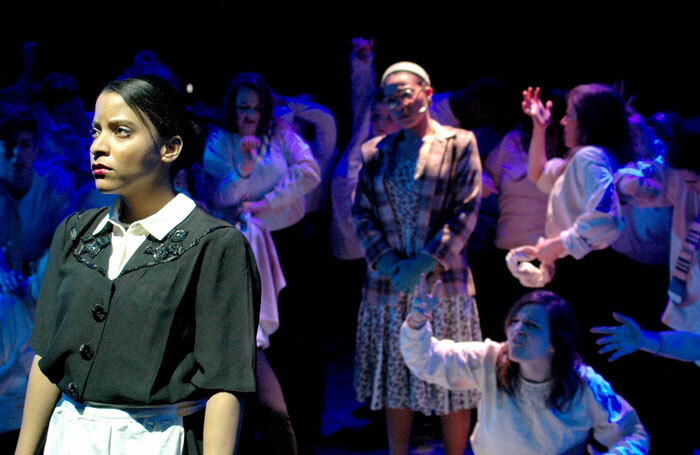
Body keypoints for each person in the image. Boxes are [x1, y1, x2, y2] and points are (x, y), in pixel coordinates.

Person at [14, 76, 259, 455]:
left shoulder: (215, 246)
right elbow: (47, 358)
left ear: (170, 148)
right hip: (68, 437)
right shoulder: (76, 234)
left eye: (121, 131)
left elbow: (226, 384)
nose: (98, 146)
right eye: (96, 131)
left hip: (155, 440)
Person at [352, 62, 482, 455]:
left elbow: (467, 208)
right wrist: (393, 265)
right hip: (390, 285)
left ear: (427, 92)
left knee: (451, 377)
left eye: (405, 93)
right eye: (390, 99)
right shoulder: (376, 152)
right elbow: (362, 213)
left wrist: (423, 264)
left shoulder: (460, 143)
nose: (399, 104)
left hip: (442, 282)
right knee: (398, 376)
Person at [202, 72, 320, 454]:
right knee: (256, 347)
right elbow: (221, 195)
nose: (250, 115)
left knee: (299, 344)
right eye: (243, 108)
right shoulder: (220, 142)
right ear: (232, 108)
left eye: (256, 108)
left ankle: (305, 437)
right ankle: (259, 436)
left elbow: (309, 172)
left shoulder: (281, 133)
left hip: (291, 244)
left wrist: (267, 203)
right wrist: (247, 168)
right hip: (246, 249)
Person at [400, 276, 649, 455]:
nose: (517, 330)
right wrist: (418, 322)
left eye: (531, 325)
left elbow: (634, 434)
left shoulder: (584, 385)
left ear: (554, 343)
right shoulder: (489, 359)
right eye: (515, 321)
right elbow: (427, 359)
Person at [0, 113, 73, 449]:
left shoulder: (54, 186)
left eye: (24, 145)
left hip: (41, 282)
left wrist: (35, 274)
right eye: (8, 146)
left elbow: (63, 243)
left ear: (35, 149)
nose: (16, 154)